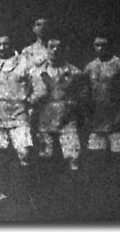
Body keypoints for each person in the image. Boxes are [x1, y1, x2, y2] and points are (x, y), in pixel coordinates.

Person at [0, 30, 43, 204]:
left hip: (19, 117)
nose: (2, 47)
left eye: (5, 43)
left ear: (11, 44)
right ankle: (2, 193)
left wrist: (27, 102)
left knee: (24, 153)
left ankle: (27, 193)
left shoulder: (25, 63)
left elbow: (40, 88)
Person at [31, 31, 89, 171]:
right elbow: (30, 98)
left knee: (73, 159)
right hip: (44, 121)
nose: (55, 50)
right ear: (46, 49)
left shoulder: (75, 73)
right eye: (51, 47)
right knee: (46, 158)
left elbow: (83, 99)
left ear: (65, 49)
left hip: (68, 122)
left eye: (59, 47)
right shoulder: (36, 73)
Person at [82, 33, 120, 156]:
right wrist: (87, 115)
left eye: (103, 45)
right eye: (97, 45)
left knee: (118, 156)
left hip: (116, 119)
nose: (100, 48)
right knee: (97, 156)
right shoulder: (89, 67)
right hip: (97, 119)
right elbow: (85, 94)